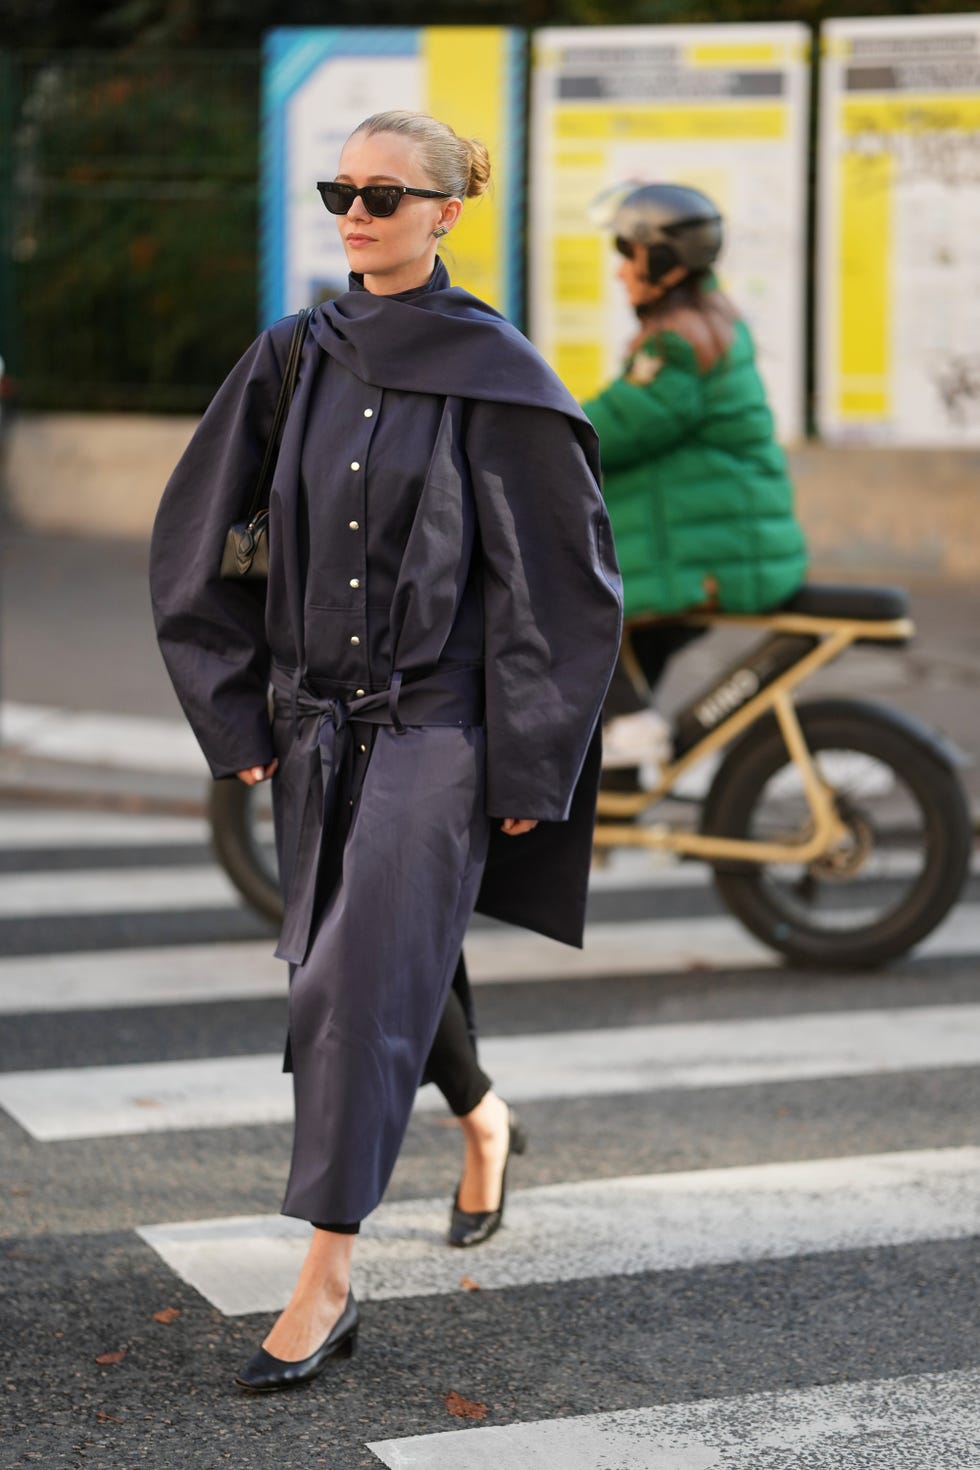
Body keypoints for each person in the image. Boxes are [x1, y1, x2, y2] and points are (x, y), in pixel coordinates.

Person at [149, 110, 622, 1392]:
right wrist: (232, 706)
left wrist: (534, 758)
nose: (354, 211)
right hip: (315, 725)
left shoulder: (498, 373)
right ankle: (482, 1118)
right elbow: (197, 530)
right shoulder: (292, 356)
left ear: (445, 213)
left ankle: (324, 1278)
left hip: (442, 724)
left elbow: (561, 588)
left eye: (383, 192)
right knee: (385, 948)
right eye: (338, 189)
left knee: (352, 978)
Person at [581, 183, 807, 779]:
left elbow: (605, 430)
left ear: (661, 259)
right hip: (726, 539)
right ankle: (618, 768)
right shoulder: (708, 321)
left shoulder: (677, 346)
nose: (619, 271)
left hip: (718, 550)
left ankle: (629, 730)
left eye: (628, 254)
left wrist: (524, 432)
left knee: (563, 596)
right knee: (619, 642)